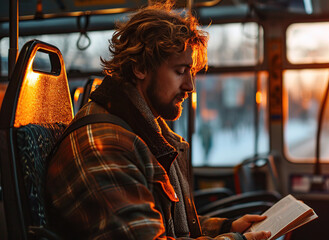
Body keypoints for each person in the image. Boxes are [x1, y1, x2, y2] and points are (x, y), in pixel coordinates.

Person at [45, 2, 272, 240]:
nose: (189, 87)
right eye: (180, 71)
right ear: (141, 68)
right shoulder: (105, 146)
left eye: (191, 72)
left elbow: (162, 220)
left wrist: (226, 229)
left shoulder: (145, 133)